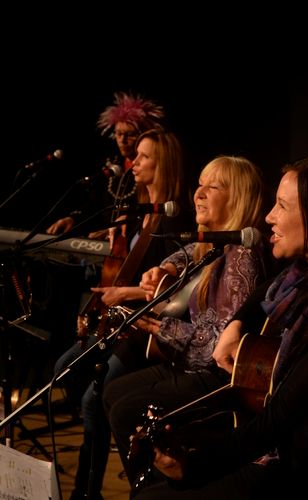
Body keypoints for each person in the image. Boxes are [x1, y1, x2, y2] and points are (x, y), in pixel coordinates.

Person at [122, 153, 308, 499]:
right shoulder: (300, 277)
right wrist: (237, 324)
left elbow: (277, 418)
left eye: (281, 206)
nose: (269, 217)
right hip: (270, 441)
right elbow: (265, 291)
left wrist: (195, 465)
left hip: (298, 468)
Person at [102, 154, 276, 490]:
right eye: (199, 185)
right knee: (113, 392)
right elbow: (184, 255)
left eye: (213, 187)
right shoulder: (211, 244)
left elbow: (217, 349)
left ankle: (162, 490)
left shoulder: (243, 260)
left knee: (125, 412)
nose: (199, 193)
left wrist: (159, 328)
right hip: (188, 365)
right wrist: (164, 269)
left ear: (238, 198)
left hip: (217, 377)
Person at [54, 127, 195, 500]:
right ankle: (92, 481)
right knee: (64, 372)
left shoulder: (174, 219)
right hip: (119, 320)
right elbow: (125, 265)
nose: (134, 163)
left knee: (93, 400)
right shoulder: (141, 213)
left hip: (144, 330)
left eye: (144, 157)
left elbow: (172, 287)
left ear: (163, 163)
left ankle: (92, 488)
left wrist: (122, 293)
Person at [46, 91, 165, 239]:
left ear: (144, 134)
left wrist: (116, 229)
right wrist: (73, 219)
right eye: (118, 133)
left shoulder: (151, 172)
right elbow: (94, 205)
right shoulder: (111, 164)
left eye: (130, 134)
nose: (122, 140)